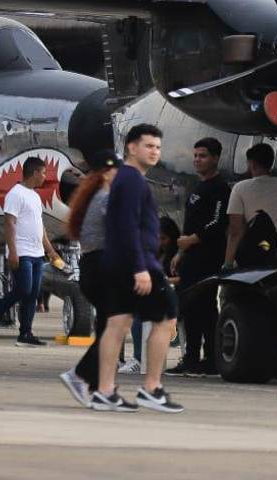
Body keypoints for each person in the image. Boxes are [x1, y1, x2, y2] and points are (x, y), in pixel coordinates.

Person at [91, 124, 183, 413]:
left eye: (157, 147)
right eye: (148, 146)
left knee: (117, 324)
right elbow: (127, 225)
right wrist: (140, 268)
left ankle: (105, 390)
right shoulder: (132, 181)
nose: (154, 151)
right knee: (167, 317)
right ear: (131, 148)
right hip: (137, 262)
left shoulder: (126, 180)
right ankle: (152, 387)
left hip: (120, 261)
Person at [0, 157, 63, 346]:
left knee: (33, 293)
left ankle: (25, 333)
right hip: (22, 251)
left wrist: (50, 251)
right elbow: (9, 223)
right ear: (33, 173)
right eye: (42, 173)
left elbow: (40, 226)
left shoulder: (34, 195)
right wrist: (13, 252)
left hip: (37, 252)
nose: (44, 177)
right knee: (23, 289)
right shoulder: (15, 194)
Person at [59, 151, 120, 408]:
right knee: (114, 331)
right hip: (104, 267)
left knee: (109, 329)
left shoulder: (93, 197)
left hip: (93, 268)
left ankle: (101, 389)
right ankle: (80, 375)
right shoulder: (106, 199)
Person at [168, 138, 229, 377]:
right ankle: (191, 357)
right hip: (190, 257)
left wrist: (193, 239)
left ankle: (212, 358)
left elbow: (217, 222)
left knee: (205, 309)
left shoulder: (220, 188)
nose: (197, 160)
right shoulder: (197, 186)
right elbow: (189, 222)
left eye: (202, 156)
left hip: (207, 256)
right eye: (195, 156)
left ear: (215, 158)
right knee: (189, 308)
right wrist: (180, 252)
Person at [223, 143, 277, 268]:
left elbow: (235, 231)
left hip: (262, 251)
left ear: (252, 164)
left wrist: (227, 264)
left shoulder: (240, 188)